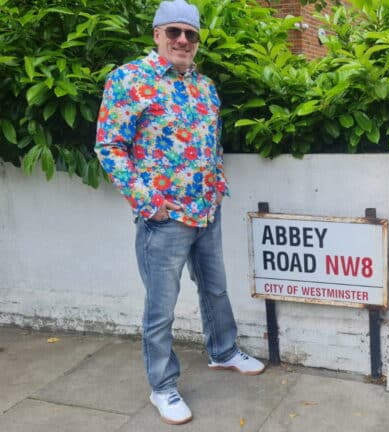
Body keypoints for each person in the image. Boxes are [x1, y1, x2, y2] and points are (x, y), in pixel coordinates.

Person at [94, 0, 265, 425]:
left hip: (206, 208)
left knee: (216, 289)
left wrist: (217, 183)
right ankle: (162, 386)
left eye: (190, 34)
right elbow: (109, 147)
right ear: (157, 35)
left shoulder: (204, 86)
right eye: (174, 32)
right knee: (161, 306)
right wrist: (148, 201)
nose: (183, 41)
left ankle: (223, 351)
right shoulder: (129, 80)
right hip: (164, 217)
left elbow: (212, 143)